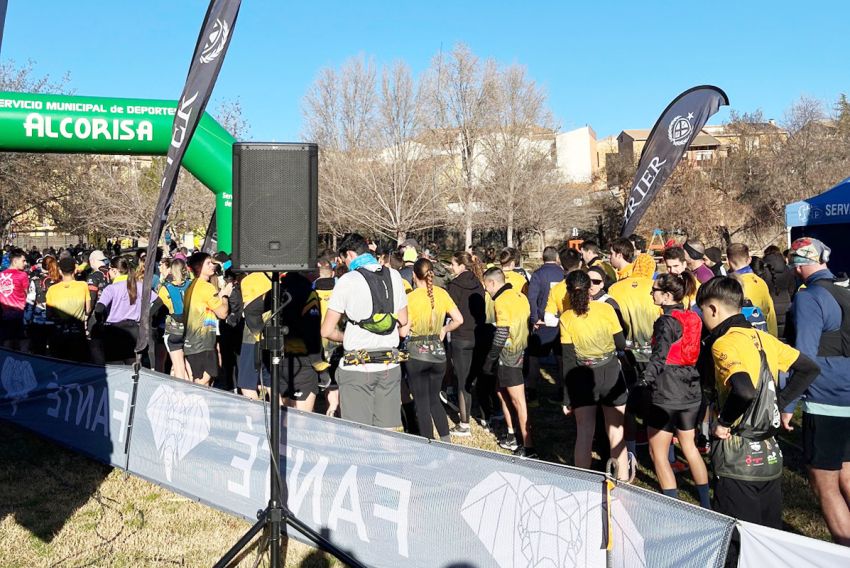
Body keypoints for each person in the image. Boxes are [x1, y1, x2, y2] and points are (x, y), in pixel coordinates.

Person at [784, 238, 850, 545]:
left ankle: (843, 549)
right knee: (847, 475)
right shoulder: (845, 287)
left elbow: (804, 355)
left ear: (798, 265)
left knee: (823, 482)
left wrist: (788, 402)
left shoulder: (810, 297)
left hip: (828, 399)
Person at [321, 233, 408, 428]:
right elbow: (404, 321)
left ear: (350, 254)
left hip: (358, 367)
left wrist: (344, 336)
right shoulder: (394, 275)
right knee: (388, 433)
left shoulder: (347, 280)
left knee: (359, 434)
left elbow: (326, 330)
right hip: (389, 365)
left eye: (343, 258)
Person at [640, 273, 710, 506]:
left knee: (657, 453)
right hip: (691, 386)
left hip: (667, 389)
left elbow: (659, 357)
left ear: (667, 296)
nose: (651, 293)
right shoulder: (694, 317)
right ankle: (706, 503)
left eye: (654, 290)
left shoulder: (666, 321)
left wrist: (644, 380)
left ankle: (673, 506)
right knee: (689, 446)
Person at [559, 270, 630, 480]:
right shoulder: (606, 310)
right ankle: (624, 483)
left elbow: (568, 359)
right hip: (610, 373)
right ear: (590, 287)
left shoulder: (566, 318)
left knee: (584, 434)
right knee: (617, 433)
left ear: (569, 291)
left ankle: (583, 484)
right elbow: (620, 343)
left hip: (582, 377)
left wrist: (566, 399)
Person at [404, 258, 463, 440]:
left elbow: (403, 330)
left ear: (414, 275)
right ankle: (446, 442)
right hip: (438, 354)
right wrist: (444, 329)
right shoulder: (442, 294)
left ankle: (428, 446)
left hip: (416, 354)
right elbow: (459, 319)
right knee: (435, 400)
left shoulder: (410, 298)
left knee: (421, 404)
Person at [482, 267, 535, 458]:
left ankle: (529, 447)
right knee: (500, 391)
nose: (486, 291)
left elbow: (502, 332)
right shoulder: (519, 295)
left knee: (518, 401)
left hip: (509, 355)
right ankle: (512, 434)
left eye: (486, 286)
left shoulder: (502, 301)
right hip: (521, 350)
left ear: (492, 283)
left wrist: (490, 359)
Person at [446, 251, 488, 436]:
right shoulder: (478, 283)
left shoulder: (454, 286)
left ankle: (464, 423)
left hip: (461, 336)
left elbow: (450, 312)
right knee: (475, 378)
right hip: (477, 335)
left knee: (462, 381)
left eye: (453, 264)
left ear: (461, 266)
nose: (451, 267)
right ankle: (485, 415)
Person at [94, 256, 159, 365]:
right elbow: (158, 302)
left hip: (114, 331)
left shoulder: (111, 289)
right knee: (133, 367)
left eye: (109, 270)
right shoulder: (139, 285)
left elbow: (99, 309)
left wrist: (100, 322)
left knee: (115, 369)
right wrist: (146, 316)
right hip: (133, 331)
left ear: (114, 270)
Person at [183, 252, 232, 386]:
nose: (212, 266)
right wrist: (225, 296)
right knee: (202, 382)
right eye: (208, 263)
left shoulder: (191, 286)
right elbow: (222, 313)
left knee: (202, 381)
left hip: (192, 341)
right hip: (202, 343)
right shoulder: (206, 287)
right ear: (199, 267)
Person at [542, 247, 583, 403]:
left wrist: (563, 319)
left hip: (565, 333)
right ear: (579, 264)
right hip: (588, 332)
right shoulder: (589, 282)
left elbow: (549, 318)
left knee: (566, 365)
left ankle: (566, 395)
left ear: (560, 263)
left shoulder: (558, 289)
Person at [527, 246, 564, 406]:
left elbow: (532, 298)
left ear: (543, 258)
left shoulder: (538, 274)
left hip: (542, 322)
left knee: (534, 359)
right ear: (556, 258)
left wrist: (534, 319)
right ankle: (562, 393)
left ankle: (533, 395)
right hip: (560, 321)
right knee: (561, 358)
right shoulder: (563, 273)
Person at [45, 256, 91, 362]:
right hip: (78, 332)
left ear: (60, 271)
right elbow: (88, 309)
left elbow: (48, 314)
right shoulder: (83, 285)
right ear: (75, 270)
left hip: (59, 333)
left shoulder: (52, 289)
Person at [727, 243, 778, 337]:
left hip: (742, 336)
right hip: (763, 334)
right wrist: (774, 337)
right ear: (749, 259)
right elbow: (770, 312)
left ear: (728, 262)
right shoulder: (761, 282)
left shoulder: (732, 285)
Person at [158, 258, 191, 380]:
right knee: (189, 364)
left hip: (174, 326)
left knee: (178, 367)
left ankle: (182, 394)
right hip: (190, 326)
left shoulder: (165, 288)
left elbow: (159, 307)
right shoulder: (191, 284)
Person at [757, 247, 797, 339]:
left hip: (769, 309)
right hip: (786, 306)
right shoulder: (788, 270)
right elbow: (792, 289)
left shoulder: (763, 271)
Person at [25, 256, 60, 355]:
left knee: (39, 352)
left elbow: (30, 302)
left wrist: (27, 319)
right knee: (55, 353)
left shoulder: (36, 281)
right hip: (57, 320)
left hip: (39, 321)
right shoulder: (59, 280)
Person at [0, 249, 30, 350]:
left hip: (4, 315)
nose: (25, 263)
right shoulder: (22, 275)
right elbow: (27, 294)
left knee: (7, 342)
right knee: (23, 343)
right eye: (23, 261)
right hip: (19, 315)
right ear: (15, 261)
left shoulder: (1, 275)